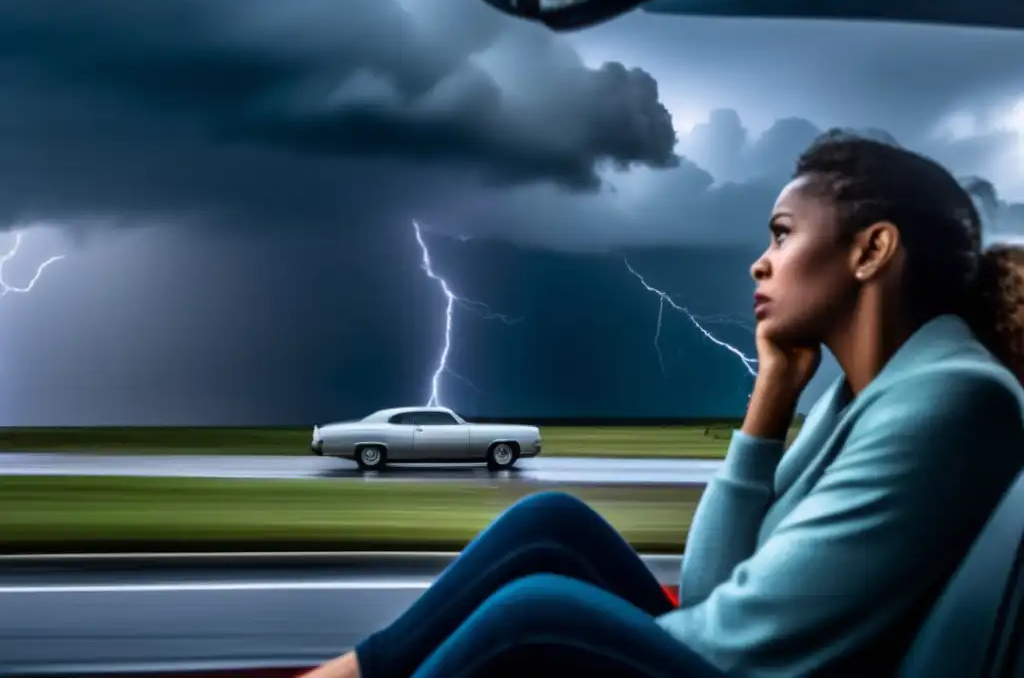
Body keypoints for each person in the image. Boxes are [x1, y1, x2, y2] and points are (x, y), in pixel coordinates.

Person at [302, 133, 1024, 678]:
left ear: (871, 251)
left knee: (533, 616)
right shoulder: (862, 389)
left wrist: (593, 636)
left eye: (782, 234)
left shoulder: (948, 401)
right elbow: (714, 588)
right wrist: (772, 393)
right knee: (549, 525)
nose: (760, 262)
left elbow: (735, 646)